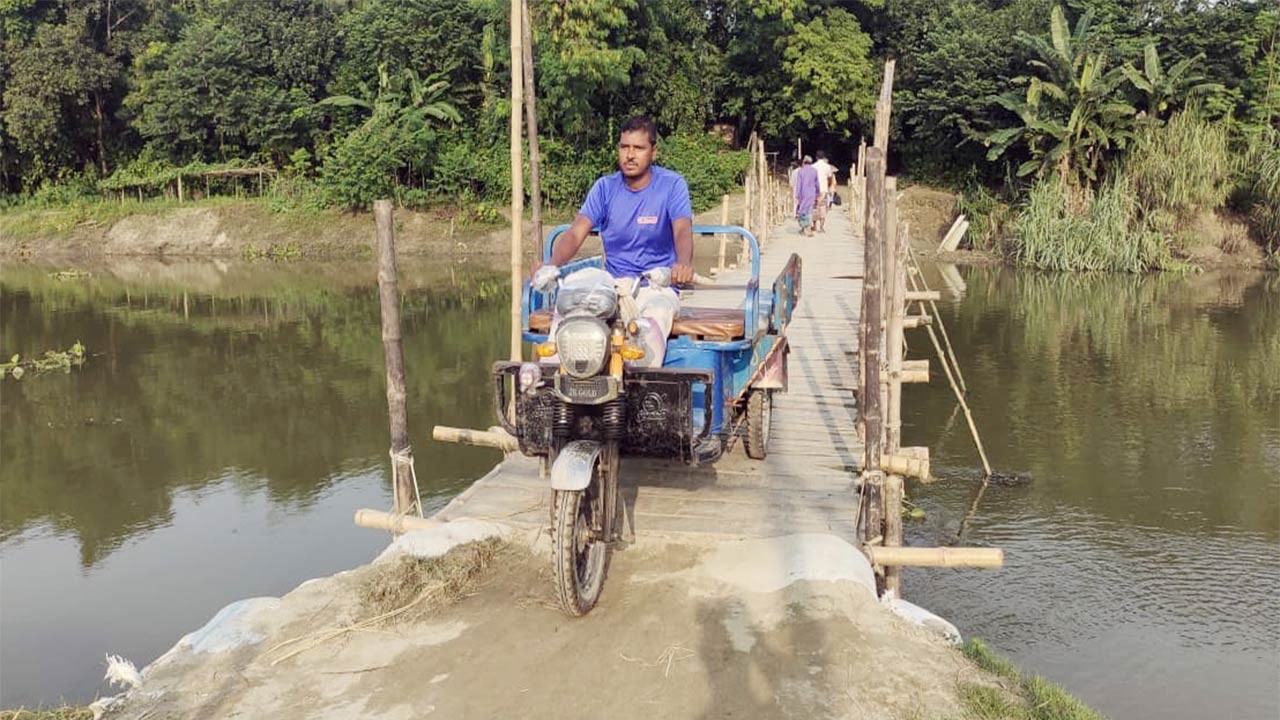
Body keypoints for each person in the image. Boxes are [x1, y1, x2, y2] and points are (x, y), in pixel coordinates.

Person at [535, 115, 693, 366]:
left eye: (638, 148)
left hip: (655, 285)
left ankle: (642, 391)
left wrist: (682, 264)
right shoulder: (605, 188)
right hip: (614, 283)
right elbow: (576, 232)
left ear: (653, 152)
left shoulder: (672, 186)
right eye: (624, 147)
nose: (630, 155)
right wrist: (551, 264)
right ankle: (550, 383)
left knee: (654, 321)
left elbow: (682, 229)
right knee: (570, 305)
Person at [794, 155, 819, 237]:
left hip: (803, 194)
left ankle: (805, 228)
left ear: (804, 162)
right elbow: (817, 183)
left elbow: (799, 184)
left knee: (802, 211)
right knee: (809, 211)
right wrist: (818, 192)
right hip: (811, 193)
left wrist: (797, 195)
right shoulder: (814, 171)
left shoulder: (800, 171)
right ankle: (808, 228)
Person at [812, 151, 834, 233]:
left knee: (814, 207)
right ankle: (821, 227)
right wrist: (828, 185)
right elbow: (830, 177)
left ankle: (814, 226)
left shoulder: (813, 166)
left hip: (815, 190)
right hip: (824, 190)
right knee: (823, 208)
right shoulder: (827, 167)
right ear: (823, 157)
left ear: (816, 157)